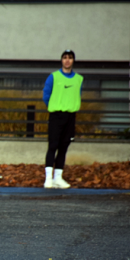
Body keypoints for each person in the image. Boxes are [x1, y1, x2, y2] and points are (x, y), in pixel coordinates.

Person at [42, 49, 82, 189]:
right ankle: (48, 179)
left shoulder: (78, 79)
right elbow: (46, 95)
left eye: (70, 58)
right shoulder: (53, 77)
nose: (67, 60)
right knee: (53, 145)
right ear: (61, 60)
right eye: (65, 57)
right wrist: (55, 106)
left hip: (70, 116)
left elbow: (77, 95)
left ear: (73, 61)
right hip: (56, 115)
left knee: (64, 147)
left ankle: (58, 178)